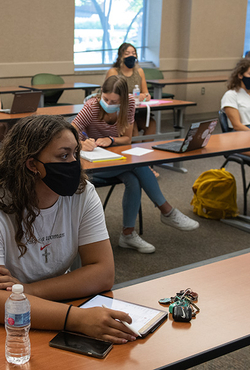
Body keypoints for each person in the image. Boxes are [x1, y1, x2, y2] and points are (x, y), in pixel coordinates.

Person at [0, 115, 139, 344]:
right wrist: (76, 319)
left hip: (53, 303)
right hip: (16, 326)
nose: (74, 163)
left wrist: (26, 291)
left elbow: (103, 273)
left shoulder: (82, 194)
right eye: (64, 155)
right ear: (32, 164)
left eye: (75, 153)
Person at [72, 75, 199, 254]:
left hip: (115, 160)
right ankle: (166, 212)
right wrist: (81, 143)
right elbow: (69, 132)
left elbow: (127, 139)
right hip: (92, 166)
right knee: (138, 165)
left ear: (123, 99)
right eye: (105, 98)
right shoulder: (92, 106)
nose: (107, 103)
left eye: (113, 101)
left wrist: (110, 139)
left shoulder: (130, 104)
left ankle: (128, 235)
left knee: (133, 179)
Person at [106, 42, 156, 138]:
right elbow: (109, 95)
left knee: (151, 124)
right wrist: (131, 97)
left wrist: (144, 96)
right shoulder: (114, 72)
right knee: (133, 128)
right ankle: (133, 150)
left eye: (133, 53)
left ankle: (146, 149)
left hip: (137, 110)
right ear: (120, 56)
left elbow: (146, 94)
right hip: (120, 112)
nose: (131, 56)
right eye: (127, 53)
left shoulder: (139, 72)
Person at [221, 58, 250, 131]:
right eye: (249, 74)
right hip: (242, 132)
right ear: (240, 75)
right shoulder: (231, 95)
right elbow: (237, 126)